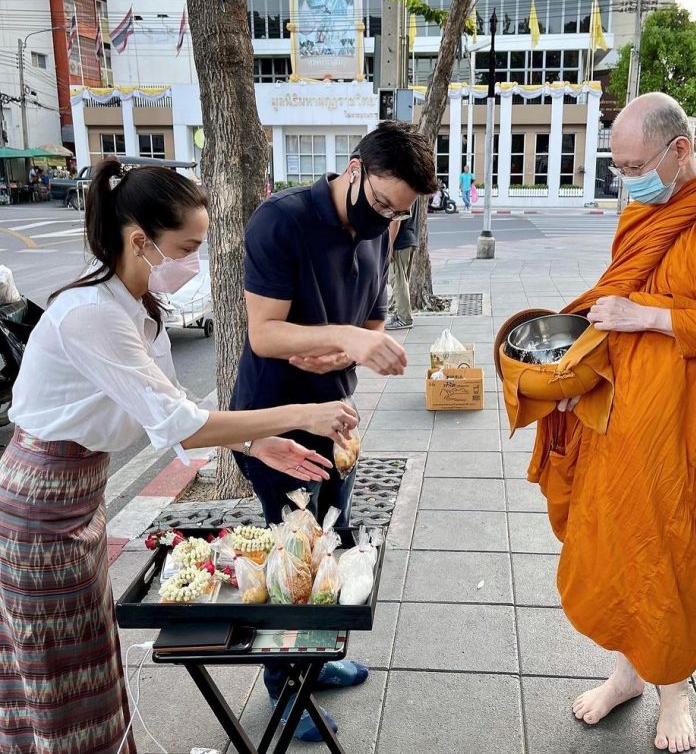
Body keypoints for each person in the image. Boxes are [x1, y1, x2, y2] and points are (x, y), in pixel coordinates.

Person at [0, 159, 358, 754]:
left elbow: (174, 410)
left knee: (87, 653)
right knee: (58, 668)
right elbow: (180, 426)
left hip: (77, 494)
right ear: (140, 241)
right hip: (41, 503)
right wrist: (300, 414)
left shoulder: (137, 308)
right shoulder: (92, 315)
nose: (196, 259)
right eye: (187, 246)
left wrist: (253, 441)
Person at [503, 93, 696, 753]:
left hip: (695, 418)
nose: (626, 177)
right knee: (621, 543)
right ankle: (628, 676)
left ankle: (675, 692)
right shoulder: (643, 208)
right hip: (625, 406)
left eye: (636, 163)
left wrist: (653, 317)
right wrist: (576, 381)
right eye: (618, 165)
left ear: (681, 149)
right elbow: (619, 294)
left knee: (675, 549)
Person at [231, 120, 438, 741]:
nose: (387, 220)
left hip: (337, 423)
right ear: (354, 168)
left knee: (335, 542)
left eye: (399, 212)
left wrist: (348, 351)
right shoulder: (282, 219)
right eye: (380, 203)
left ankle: (313, 664)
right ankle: (283, 689)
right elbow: (263, 334)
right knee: (292, 562)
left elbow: (369, 322)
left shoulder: (385, 225)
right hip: (276, 425)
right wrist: (343, 339)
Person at [386, 203, 418, 330]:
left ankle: (405, 318)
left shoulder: (401, 190)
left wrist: (390, 245)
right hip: (410, 239)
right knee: (402, 281)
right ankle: (399, 314)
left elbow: (395, 221)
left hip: (400, 242)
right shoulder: (414, 191)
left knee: (398, 281)